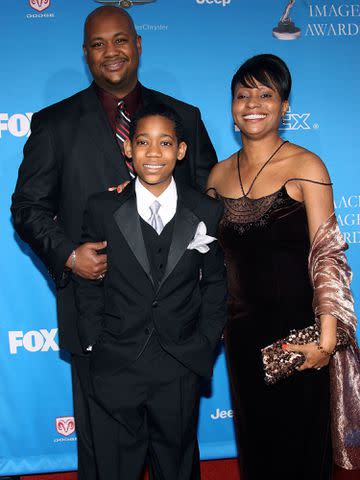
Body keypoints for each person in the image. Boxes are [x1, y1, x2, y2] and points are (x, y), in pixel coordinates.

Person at [10, 6, 217, 480]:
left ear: (138, 44)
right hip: (98, 319)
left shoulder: (184, 117)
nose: (111, 53)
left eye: (120, 40)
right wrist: (67, 253)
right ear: (86, 53)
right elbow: (27, 208)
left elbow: (211, 201)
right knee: (107, 460)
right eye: (98, 44)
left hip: (175, 320)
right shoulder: (54, 124)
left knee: (176, 454)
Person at [207, 54, 360, 479]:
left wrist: (326, 344)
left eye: (265, 93)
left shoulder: (306, 166)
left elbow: (327, 254)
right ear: (232, 108)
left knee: (301, 456)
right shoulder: (216, 176)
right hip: (240, 339)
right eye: (242, 94)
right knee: (258, 457)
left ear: (285, 107)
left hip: (299, 338)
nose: (252, 103)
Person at [73, 103, 227, 480]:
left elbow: (216, 283)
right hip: (116, 362)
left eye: (165, 142)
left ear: (181, 150)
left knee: (177, 465)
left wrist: (205, 342)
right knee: (115, 468)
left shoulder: (205, 211)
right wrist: (95, 341)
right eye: (143, 142)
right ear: (128, 148)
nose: (153, 153)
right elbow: (89, 279)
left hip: (178, 364)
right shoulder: (102, 207)